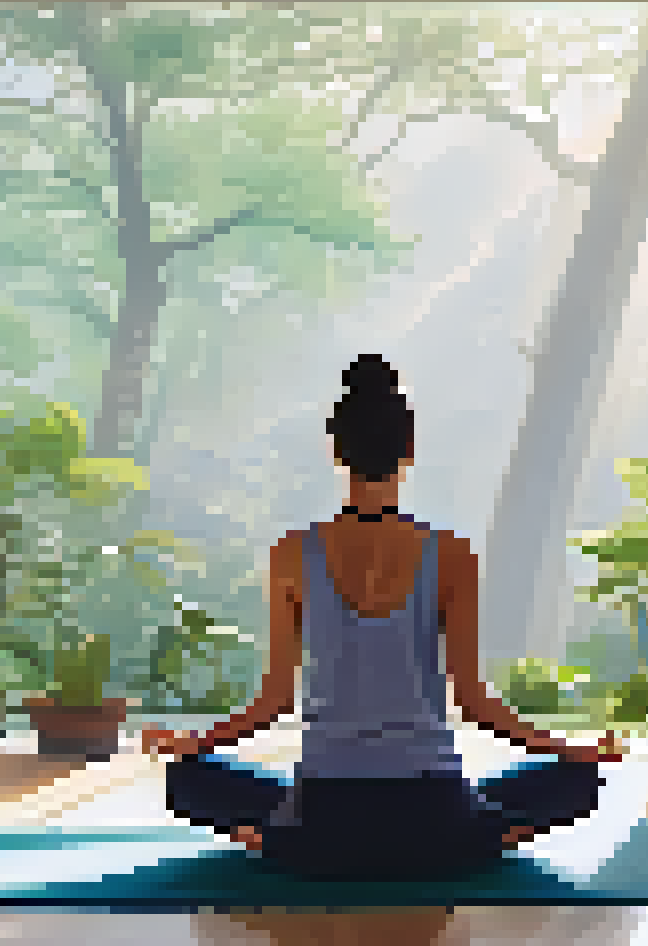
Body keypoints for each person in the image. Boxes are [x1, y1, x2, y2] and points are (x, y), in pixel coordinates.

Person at [145, 353, 621, 881]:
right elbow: (475, 704)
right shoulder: (452, 555)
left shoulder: (291, 555)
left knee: (188, 779)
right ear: (409, 452)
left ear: (335, 450)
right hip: (435, 813)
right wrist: (569, 748)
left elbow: (273, 704)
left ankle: (287, 841)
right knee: (578, 780)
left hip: (325, 814)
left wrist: (192, 743)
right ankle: (474, 839)